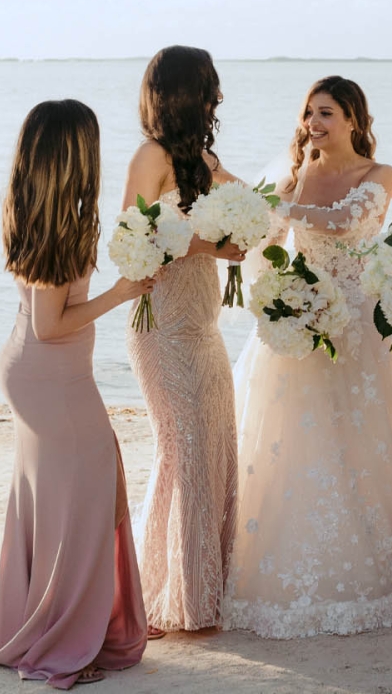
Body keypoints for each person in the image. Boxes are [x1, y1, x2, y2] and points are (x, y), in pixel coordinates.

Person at [221, 76, 392, 638]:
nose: (314, 124)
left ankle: (380, 561)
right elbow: (262, 239)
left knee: (364, 441)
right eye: (310, 113)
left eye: (327, 114)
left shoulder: (378, 176)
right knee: (298, 444)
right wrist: (278, 299)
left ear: (353, 120)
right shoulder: (295, 172)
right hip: (302, 320)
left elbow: (344, 223)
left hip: (361, 327)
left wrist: (285, 207)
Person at [0, 99, 152, 689]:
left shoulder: (31, 206)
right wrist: (123, 292)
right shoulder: (61, 219)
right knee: (83, 503)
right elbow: (50, 324)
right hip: (52, 375)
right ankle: (62, 641)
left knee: (64, 499)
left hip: (37, 374)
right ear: (74, 154)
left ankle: (55, 623)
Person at [123, 45, 243, 633]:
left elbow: (251, 206)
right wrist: (204, 243)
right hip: (162, 322)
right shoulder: (151, 156)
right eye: (209, 84)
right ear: (185, 92)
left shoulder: (202, 159)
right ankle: (165, 595)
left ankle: (202, 594)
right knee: (184, 449)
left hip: (204, 322)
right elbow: (129, 239)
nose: (218, 93)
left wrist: (248, 227)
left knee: (216, 448)